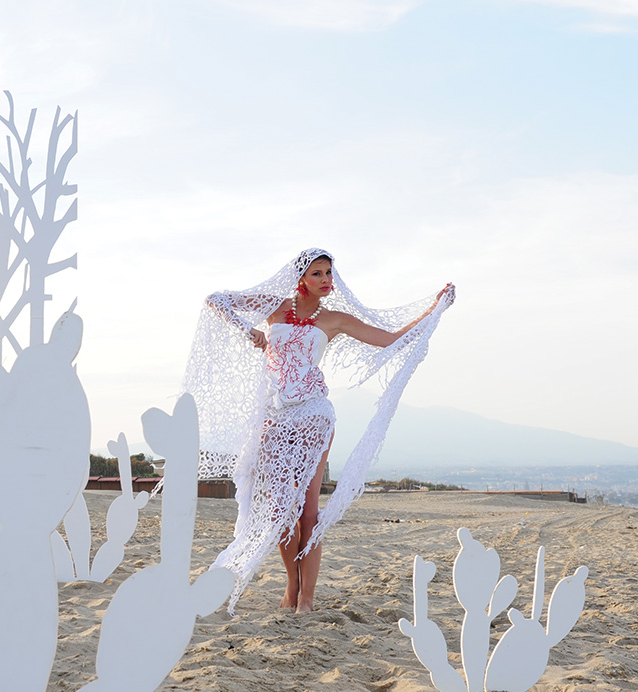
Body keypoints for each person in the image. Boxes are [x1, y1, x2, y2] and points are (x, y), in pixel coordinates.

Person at [182, 248, 454, 614]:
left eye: (329, 273)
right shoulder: (274, 307)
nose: (327, 280)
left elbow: (390, 340)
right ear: (300, 278)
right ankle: (291, 586)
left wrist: (434, 310)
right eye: (318, 273)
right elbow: (216, 300)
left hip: (313, 415)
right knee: (281, 511)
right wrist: (250, 332)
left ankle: (306, 598)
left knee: (308, 511)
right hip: (274, 419)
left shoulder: (335, 320)